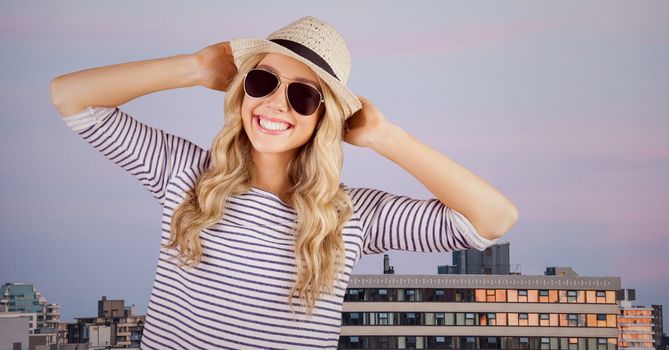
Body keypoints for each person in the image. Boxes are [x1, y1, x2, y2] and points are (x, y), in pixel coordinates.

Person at [50, 16, 518, 350]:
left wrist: (385, 136)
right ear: (242, 91)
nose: (275, 104)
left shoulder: (351, 216)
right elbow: (70, 98)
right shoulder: (185, 175)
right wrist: (194, 67)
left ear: (323, 119)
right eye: (263, 81)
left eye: (302, 94)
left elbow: (494, 220)